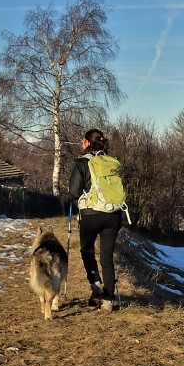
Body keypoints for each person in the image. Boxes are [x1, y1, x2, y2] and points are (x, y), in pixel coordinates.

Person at [68, 128, 124, 307]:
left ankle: (96, 284)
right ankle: (109, 301)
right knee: (106, 257)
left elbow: (74, 192)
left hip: (91, 214)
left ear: (86, 142)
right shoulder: (112, 162)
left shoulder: (80, 163)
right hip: (113, 214)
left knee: (87, 250)